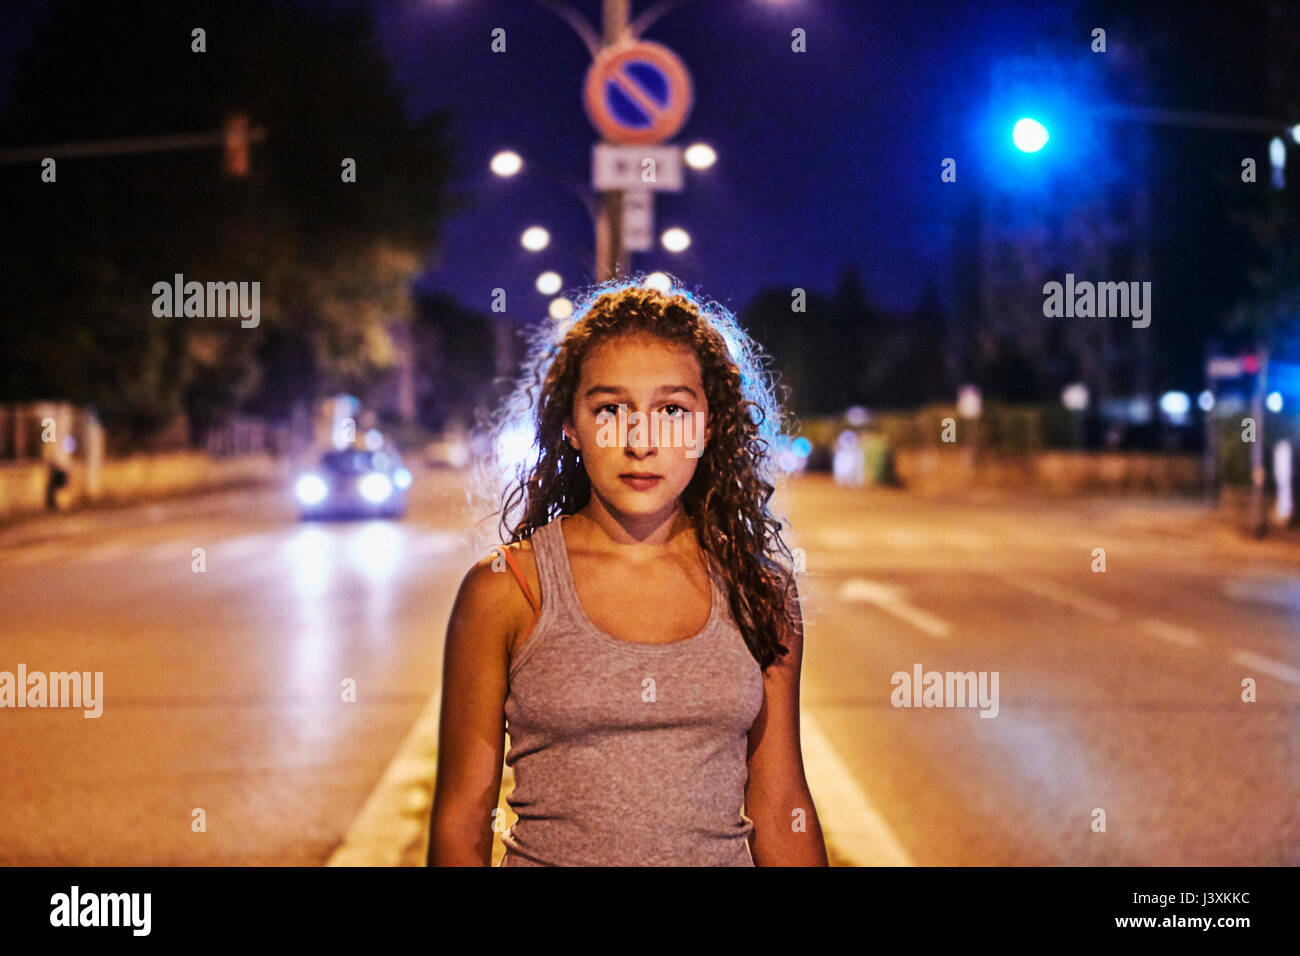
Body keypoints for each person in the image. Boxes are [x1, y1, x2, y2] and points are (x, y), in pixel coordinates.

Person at [427, 277, 828, 867]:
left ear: (710, 426)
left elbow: (781, 803)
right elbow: (463, 815)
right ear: (571, 424)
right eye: (611, 409)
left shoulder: (760, 591)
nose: (640, 441)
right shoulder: (505, 589)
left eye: (672, 410)